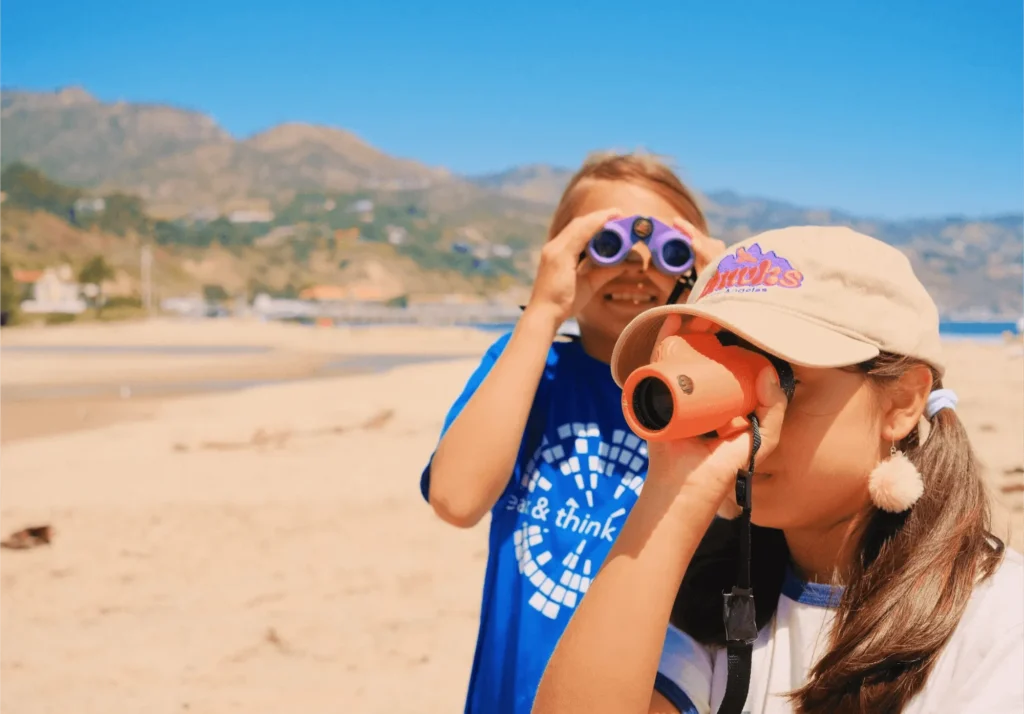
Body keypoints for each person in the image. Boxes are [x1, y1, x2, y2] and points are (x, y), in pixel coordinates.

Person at [532, 225, 1024, 714]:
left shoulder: (1000, 623)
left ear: (900, 402)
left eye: (782, 378)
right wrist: (674, 493)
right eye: (723, 379)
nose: (742, 418)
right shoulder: (710, 597)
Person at [419, 152, 727, 714]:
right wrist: (543, 311)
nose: (637, 266)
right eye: (606, 243)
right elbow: (456, 499)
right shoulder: (529, 371)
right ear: (565, 255)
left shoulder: (713, 392)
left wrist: (723, 309)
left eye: (666, 248)